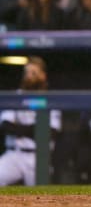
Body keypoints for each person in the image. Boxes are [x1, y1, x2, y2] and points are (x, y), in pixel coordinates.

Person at [0, 56, 61, 186]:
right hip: (14, 154)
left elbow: (51, 132)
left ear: (43, 76)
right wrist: (35, 128)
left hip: (39, 156)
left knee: (41, 198)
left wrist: (20, 129)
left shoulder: (51, 98)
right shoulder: (16, 96)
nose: (29, 76)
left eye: (34, 73)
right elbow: (6, 126)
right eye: (27, 72)